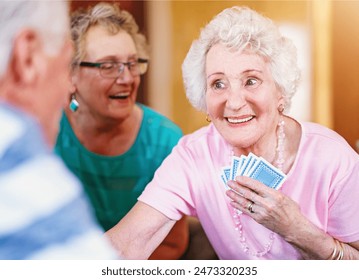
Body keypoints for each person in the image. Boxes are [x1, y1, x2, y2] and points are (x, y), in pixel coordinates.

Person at [106, 6, 359, 260]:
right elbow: (129, 243)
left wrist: (297, 230)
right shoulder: (194, 155)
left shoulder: (333, 159)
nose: (234, 102)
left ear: (280, 91)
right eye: (218, 84)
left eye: (251, 80)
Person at [54, 2, 189, 260]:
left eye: (132, 63)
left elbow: (171, 245)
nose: (127, 78)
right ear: (71, 74)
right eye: (108, 65)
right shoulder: (46, 130)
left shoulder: (165, 141)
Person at [0, 1, 117, 259]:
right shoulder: (14, 150)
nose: (68, 91)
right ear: (27, 58)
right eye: (67, 65)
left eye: (132, 64)